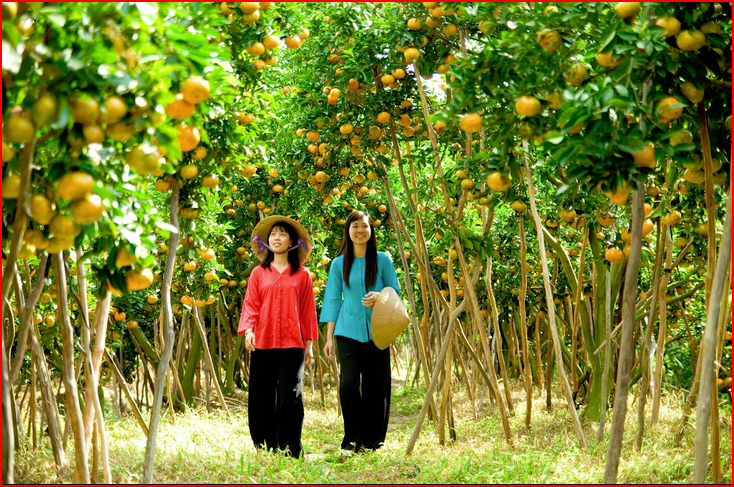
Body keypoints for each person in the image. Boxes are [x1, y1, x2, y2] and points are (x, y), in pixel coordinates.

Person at [320, 210, 400, 453]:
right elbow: (333, 299)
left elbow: (394, 290)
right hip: (347, 330)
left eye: (364, 226)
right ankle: (352, 439)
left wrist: (380, 295)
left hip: (379, 330)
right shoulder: (338, 263)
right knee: (349, 382)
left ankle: (374, 441)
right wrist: (329, 337)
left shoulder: (383, 259)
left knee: (378, 386)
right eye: (355, 226)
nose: (360, 231)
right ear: (348, 231)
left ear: (371, 230)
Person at [238, 216, 317, 458]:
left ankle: (291, 448)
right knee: (262, 394)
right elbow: (251, 304)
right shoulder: (258, 273)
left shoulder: (302, 275)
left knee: (291, 394)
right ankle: (265, 445)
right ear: (266, 241)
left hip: (293, 343)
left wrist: (310, 345)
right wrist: (249, 330)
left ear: (292, 241)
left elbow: (307, 310)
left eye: (282, 234)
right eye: (273, 234)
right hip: (263, 340)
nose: (277, 238)